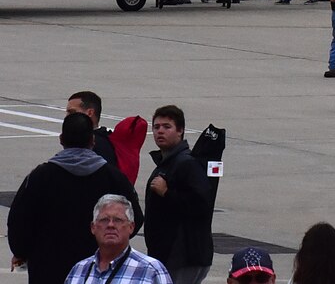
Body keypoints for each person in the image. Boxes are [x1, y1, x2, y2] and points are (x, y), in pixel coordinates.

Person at [7, 112, 145, 284]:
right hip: (98, 269)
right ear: (92, 140)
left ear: (61, 139)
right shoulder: (113, 177)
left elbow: (19, 221)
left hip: (47, 268)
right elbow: (135, 219)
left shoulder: (40, 177)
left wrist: (21, 252)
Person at [142, 107, 213, 284]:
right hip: (171, 256)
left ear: (180, 131)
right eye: (156, 127)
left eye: (167, 127)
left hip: (183, 257)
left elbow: (201, 205)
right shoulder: (169, 162)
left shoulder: (186, 164)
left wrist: (167, 193)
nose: (160, 131)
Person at [63, 195, 169, 284]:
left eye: (118, 220)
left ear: (131, 227)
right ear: (93, 227)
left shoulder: (151, 270)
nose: (110, 225)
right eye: (104, 220)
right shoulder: (79, 270)